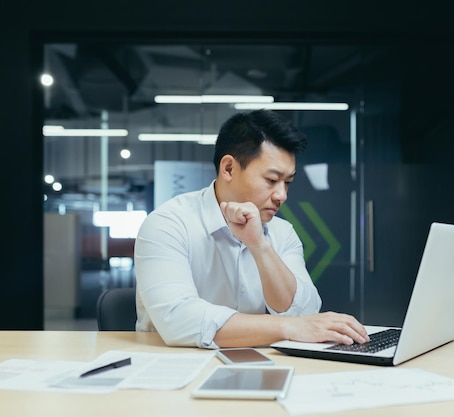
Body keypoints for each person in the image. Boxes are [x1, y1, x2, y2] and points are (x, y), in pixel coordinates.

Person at [134, 109, 369, 349]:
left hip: (259, 363)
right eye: (271, 180)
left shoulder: (281, 232)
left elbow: (305, 310)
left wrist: (259, 246)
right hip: (174, 367)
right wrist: (288, 328)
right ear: (228, 169)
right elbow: (179, 321)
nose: (282, 195)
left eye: (288, 182)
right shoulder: (167, 224)